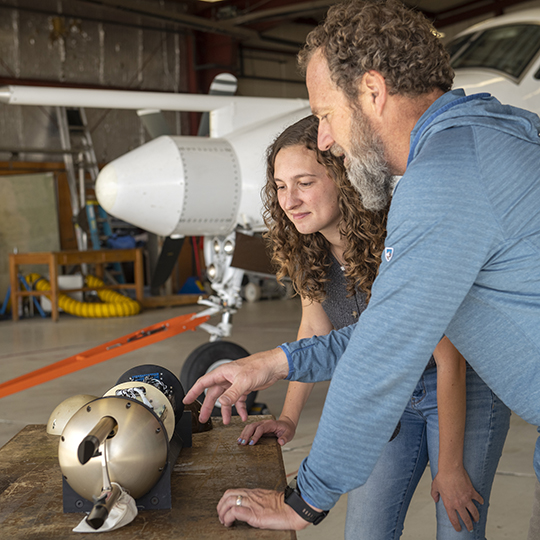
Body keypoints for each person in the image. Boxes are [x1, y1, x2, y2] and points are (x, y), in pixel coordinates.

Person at [183, 0, 540, 534]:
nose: (325, 138)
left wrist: (304, 500)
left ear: (372, 92)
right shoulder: (500, 132)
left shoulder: (443, 177)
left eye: (326, 115)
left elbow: (384, 356)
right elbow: (387, 332)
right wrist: (272, 364)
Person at [237, 114, 509, 539]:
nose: (289, 201)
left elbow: (448, 356)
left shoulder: (396, 236)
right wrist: (289, 417)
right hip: (391, 392)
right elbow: (314, 327)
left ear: (344, 177)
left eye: (304, 183)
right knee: (365, 532)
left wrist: (451, 466)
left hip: (458, 390)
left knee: (457, 527)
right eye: (280, 186)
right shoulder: (306, 247)